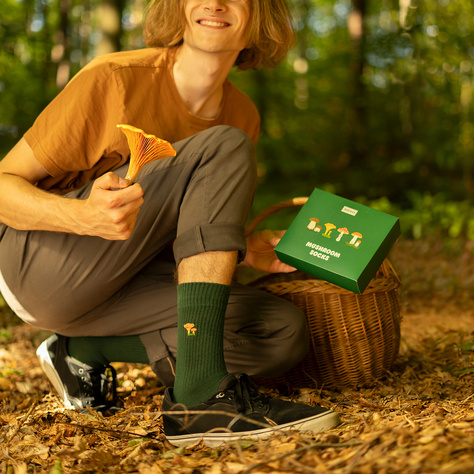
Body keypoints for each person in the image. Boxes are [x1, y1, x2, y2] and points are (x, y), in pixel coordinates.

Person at [0, 0, 340, 446]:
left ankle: (81, 351)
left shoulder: (244, 115)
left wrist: (244, 248)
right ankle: (199, 398)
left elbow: (192, 242)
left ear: (262, 14)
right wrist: (81, 216)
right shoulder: (113, 79)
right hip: (38, 265)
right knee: (223, 146)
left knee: (281, 331)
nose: (215, 2)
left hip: (125, 285)